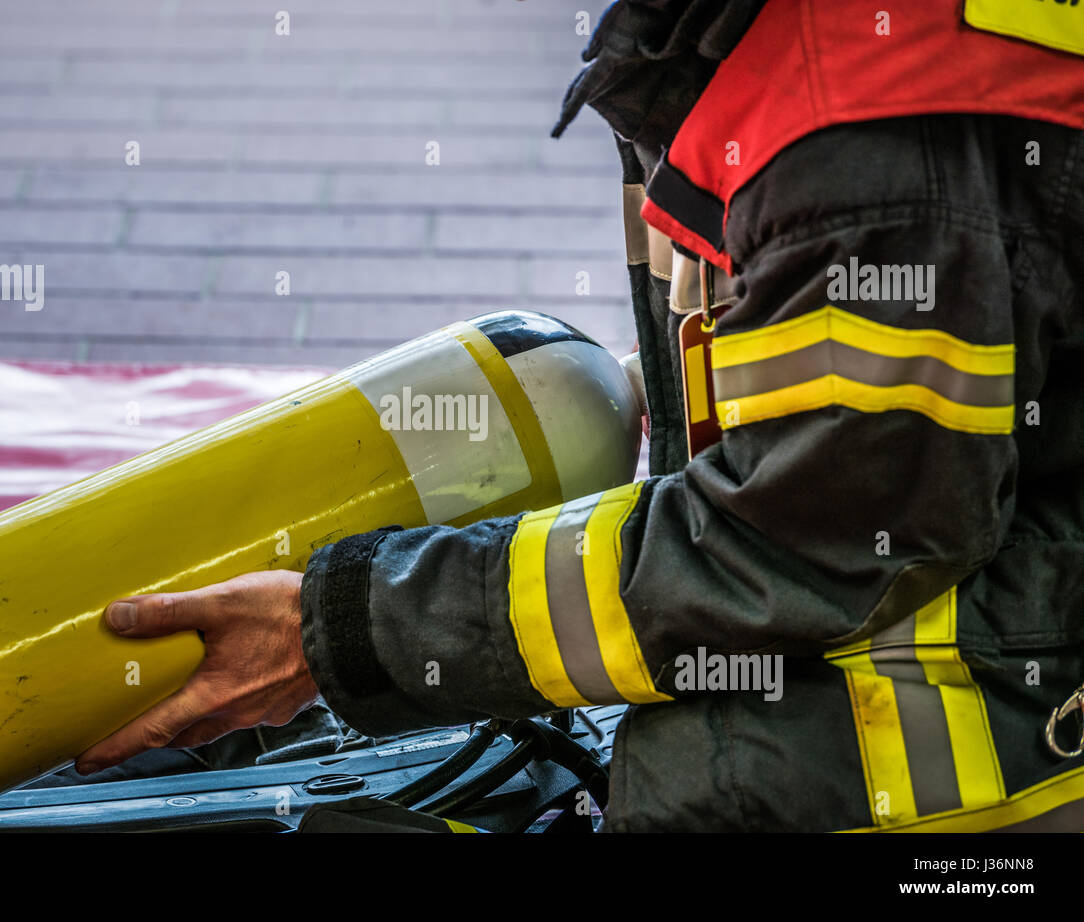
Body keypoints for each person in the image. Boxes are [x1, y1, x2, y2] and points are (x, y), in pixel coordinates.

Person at [75, 0, 1084, 831]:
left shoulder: (854, 113)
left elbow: (803, 547)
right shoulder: (739, 39)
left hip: (976, 771)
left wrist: (346, 628)